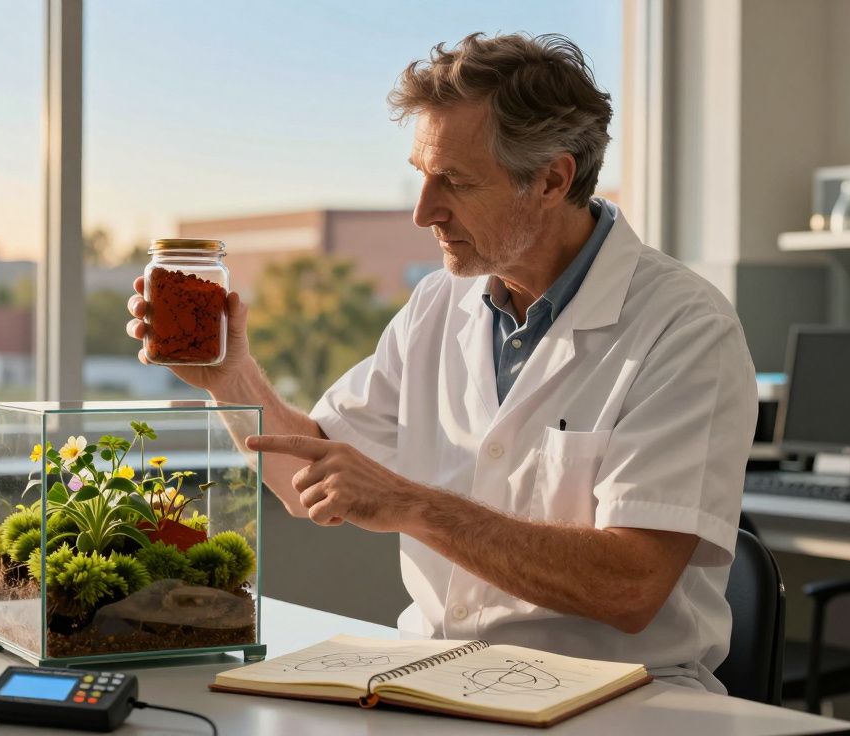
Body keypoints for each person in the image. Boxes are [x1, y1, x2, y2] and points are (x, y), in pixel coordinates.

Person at [126, 32, 756, 693]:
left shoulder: (685, 329)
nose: (424, 211)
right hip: (433, 682)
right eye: (422, 175)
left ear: (551, 179)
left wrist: (413, 505)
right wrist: (230, 376)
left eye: (453, 180)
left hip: (619, 697)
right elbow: (310, 478)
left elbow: (631, 585)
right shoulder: (438, 305)